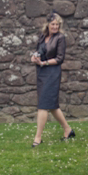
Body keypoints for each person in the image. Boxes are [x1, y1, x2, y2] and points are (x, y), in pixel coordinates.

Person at [30, 12, 74, 147]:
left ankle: (38, 137)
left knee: (43, 104)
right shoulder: (43, 37)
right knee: (52, 105)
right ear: (48, 25)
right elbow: (38, 51)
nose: (55, 26)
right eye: (53, 24)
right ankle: (68, 129)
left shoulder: (60, 38)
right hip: (41, 72)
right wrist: (34, 58)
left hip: (52, 72)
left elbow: (60, 58)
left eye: (57, 24)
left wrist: (45, 63)